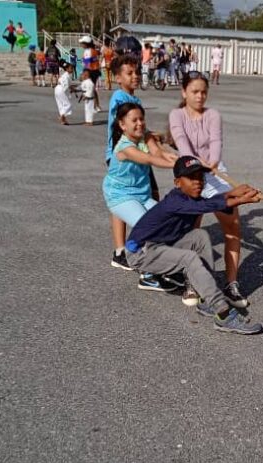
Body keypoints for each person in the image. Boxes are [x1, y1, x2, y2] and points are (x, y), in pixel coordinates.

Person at [125, 157, 263, 334]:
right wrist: (239, 199)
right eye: (191, 178)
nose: (198, 182)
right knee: (189, 258)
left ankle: (207, 300)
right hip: (141, 252)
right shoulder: (176, 201)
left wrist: (232, 193)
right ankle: (223, 314)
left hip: (160, 245)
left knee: (199, 236)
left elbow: (208, 203)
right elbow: (207, 206)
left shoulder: (190, 198)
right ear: (177, 183)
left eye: (200, 177)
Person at [169, 72, 248, 307]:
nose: (200, 96)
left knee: (233, 227)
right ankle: (192, 281)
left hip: (214, 172)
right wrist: (197, 165)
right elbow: (182, 144)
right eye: (195, 91)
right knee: (192, 230)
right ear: (184, 92)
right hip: (190, 173)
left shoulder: (213, 115)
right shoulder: (176, 115)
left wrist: (212, 162)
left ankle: (231, 284)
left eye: (204, 92)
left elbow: (216, 142)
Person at [105, 55, 177, 289]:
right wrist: (150, 140)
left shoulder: (133, 99)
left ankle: (127, 250)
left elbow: (146, 138)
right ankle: (136, 257)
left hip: (135, 156)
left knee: (147, 204)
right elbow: (132, 132)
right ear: (117, 77)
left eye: (137, 72)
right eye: (129, 73)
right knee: (133, 206)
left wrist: (160, 145)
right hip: (124, 155)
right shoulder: (120, 98)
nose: (135, 76)